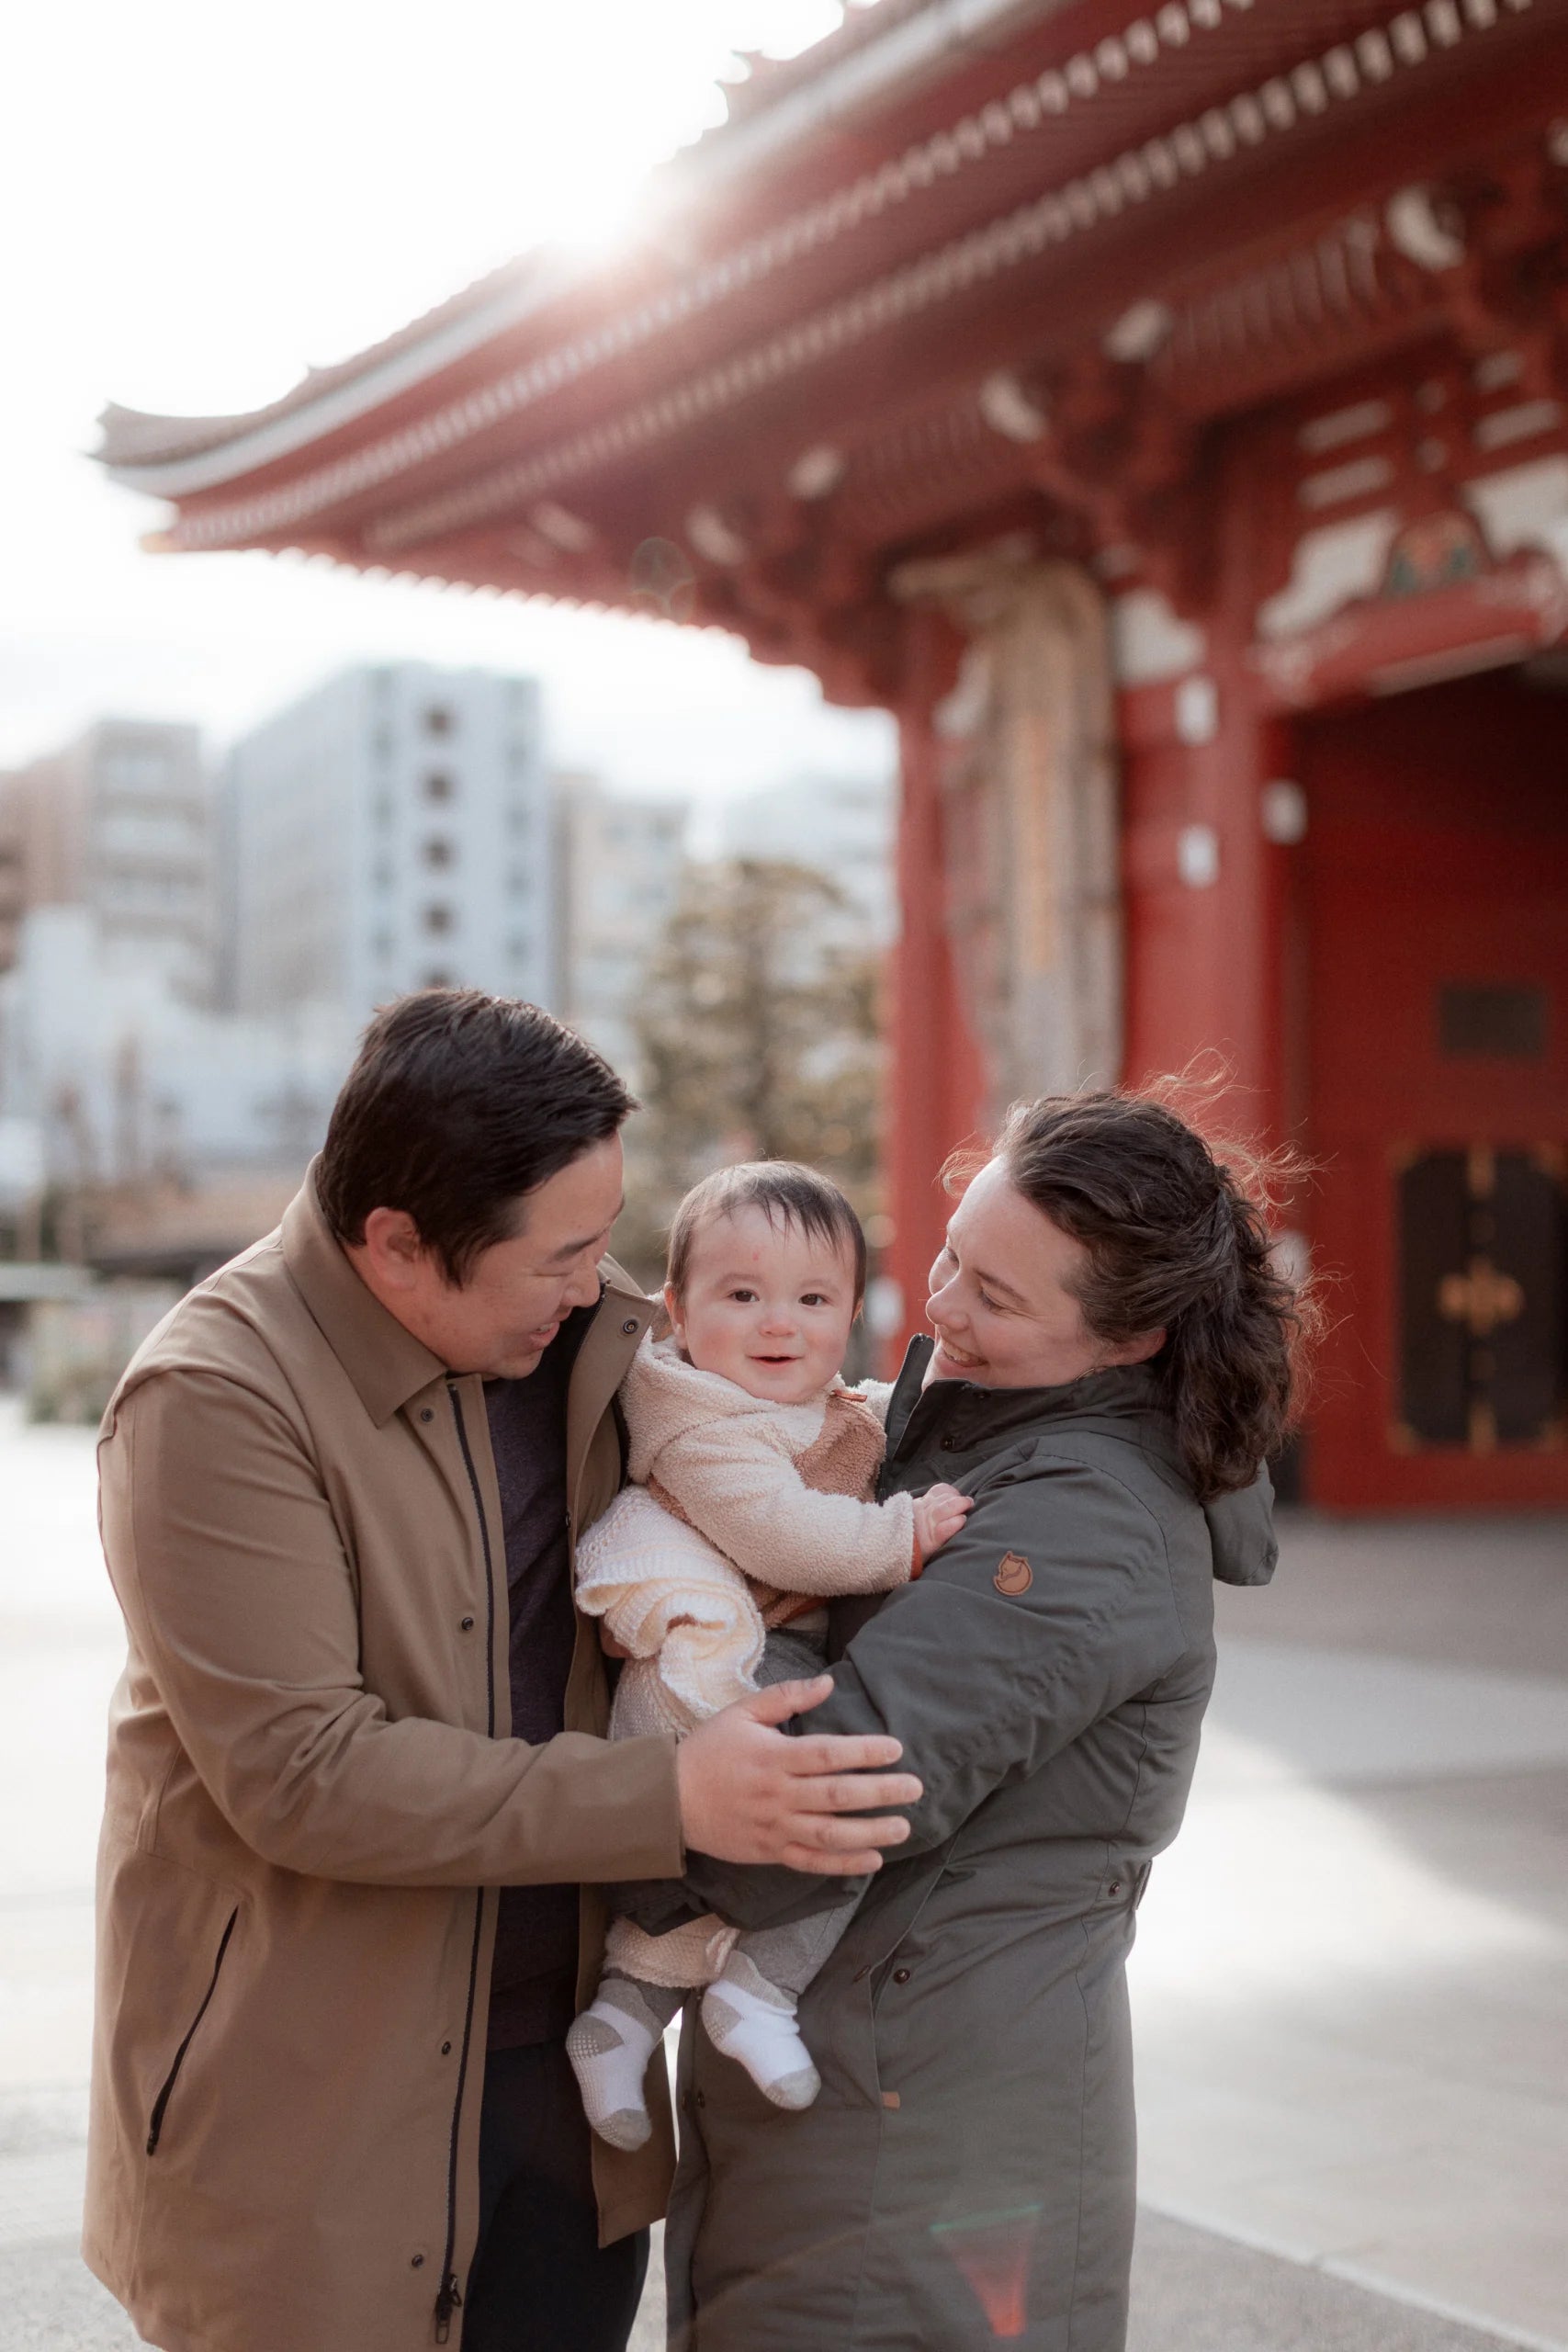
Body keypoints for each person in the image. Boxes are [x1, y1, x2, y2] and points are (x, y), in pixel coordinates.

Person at [83, 991, 921, 2352]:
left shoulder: (600, 1347)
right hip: (312, 2105)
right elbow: (306, 1776)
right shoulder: (214, 1401)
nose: (597, 1286)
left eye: (607, 1241)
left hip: (558, 2094)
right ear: (397, 1245)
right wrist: (674, 1798)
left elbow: (806, 1431)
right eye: (559, 1257)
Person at [637, 1084, 1303, 2352]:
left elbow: (812, 1786)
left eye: (993, 1298)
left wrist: (713, 1632)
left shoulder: (1087, 1521)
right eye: (949, 1253)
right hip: (863, 2106)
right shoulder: (971, 1434)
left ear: (1130, 1340)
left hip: (922, 2159)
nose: (937, 1306)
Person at [566, 1162, 972, 2147]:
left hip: (776, 1642)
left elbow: (857, 1427)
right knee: (835, 1799)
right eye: (741, 1296)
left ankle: (630, 2016)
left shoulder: (806, 1403)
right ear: (678, 1311)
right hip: (719, 1664)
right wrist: (905, 1532)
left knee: (797, 1829)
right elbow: (790, 1536)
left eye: (812, 1298)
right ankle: (755, 1986)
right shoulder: (697, 1425)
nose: (778, 1324)